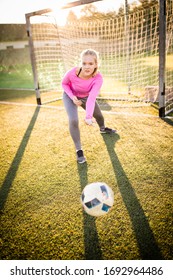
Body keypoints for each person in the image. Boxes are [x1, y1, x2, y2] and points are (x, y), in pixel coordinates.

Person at [62, 49, 116, 164]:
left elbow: (91, 98)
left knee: (99, 115)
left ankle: (102, 128)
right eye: (84, 63)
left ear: (96, 64)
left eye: (90, 64)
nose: (87, 67)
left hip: (86, 97)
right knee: (73, 120)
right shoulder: (72, 72)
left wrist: (88, 116)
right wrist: (72, 97)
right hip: (70, 96)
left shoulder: (98, 78)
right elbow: (64, 83)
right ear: (80, 63)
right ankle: (79, 150)